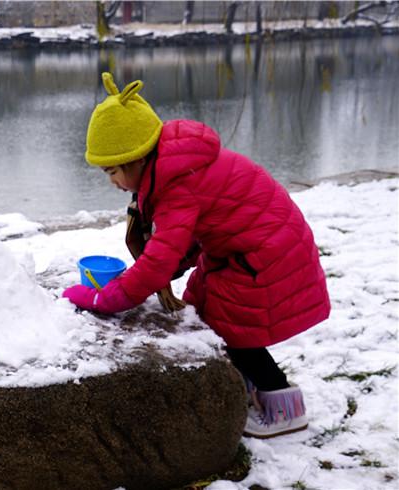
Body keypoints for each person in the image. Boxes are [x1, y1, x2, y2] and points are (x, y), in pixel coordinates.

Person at [63, 73, 331, 439]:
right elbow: (183, 241)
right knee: (200, 308)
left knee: (233, 329)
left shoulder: (176, 185)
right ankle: (247, 385)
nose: (111, 181)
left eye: (112, 171)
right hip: (245, 250)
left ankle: (285, 408)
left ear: (137, 159)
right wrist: (165, 267)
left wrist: (105, 297)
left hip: (263, 258)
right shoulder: (174, 165)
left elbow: (159, 258)